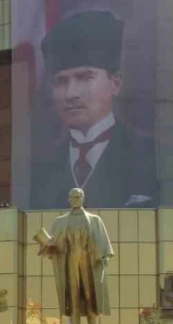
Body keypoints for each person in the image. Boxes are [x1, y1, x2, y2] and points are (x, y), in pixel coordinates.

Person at [31, 11, 160, 209]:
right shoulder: (40, 170)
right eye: (60, 81)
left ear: (115, 83)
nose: (70, 93)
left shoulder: (152, 156)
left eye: (84, 77)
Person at [35, 189, 115, 324]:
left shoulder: (95, 220)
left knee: (91, 296)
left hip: (89, 260)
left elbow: (103, 242)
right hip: (70, 259)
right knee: (73, 297)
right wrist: (46, 243)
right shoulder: (60, 221)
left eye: (77, 197)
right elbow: (52, 243)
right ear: (68, 199)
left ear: (83, 198)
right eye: (72, 197)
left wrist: (105, 257)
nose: (75, 200)